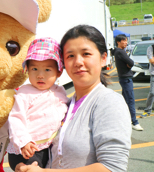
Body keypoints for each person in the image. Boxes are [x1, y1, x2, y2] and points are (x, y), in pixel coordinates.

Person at [15, 25, 132, 172]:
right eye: (70, 56)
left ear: (103, 59)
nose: (78, 62)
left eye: (86, 54)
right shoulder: (64, 104)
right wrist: (24, 166)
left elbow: (112, 167)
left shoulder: (109, 102)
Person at [7, 37, 68, 171]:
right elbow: (16, 118)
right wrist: (24, 142)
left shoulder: (60, 92)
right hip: (26, 150)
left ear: (59, 72)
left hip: (48, 147)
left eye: (47, 70)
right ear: (27, 69)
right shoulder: (25, 93)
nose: (40, 75)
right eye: (34, 69)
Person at [114, 34, 143, 131]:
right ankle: (135, 122)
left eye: (126, 41)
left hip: (125, 78)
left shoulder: (120, 51)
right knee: (130, 101)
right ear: (118, 42)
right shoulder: (120, 52)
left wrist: (129, 64)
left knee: (125, 101)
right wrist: (129, 64)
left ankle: (125, 120)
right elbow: (131, 63)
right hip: (126, 79)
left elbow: (129, 63)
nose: (126, 42)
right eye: (124, 41)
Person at [141, 44, 154, 118]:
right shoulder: (150, 48)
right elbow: (151, 60)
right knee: (152, 92)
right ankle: (147, 110)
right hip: (153, 74)